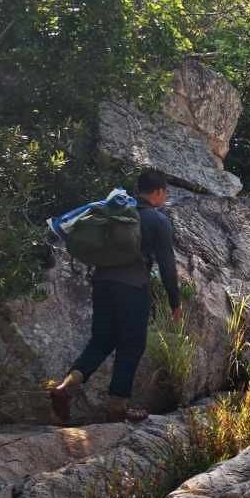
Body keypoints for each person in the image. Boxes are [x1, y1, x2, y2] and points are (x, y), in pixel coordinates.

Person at [50, 169, 181, 424]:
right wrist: (174, 302)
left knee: (100, 341)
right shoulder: (158, 220)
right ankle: (117, 407)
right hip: (132, 288)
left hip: (103, 284)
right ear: (158, 192)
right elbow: (167, 266)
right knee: (131, 345)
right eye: (164, 193)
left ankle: (65, 388)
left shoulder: (117, 213)